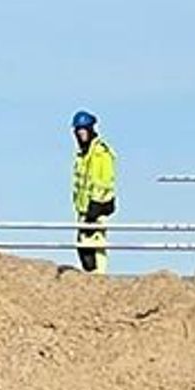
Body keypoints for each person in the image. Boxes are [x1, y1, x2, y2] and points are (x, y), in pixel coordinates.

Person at [70, 110, 117, 274]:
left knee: (96, 251)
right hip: (84, 212)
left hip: (97, 210)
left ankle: (99, 281)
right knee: (83, 250)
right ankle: (92, 280)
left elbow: (104, 182)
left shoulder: (100, 152)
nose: (81, 134)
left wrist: (96, 208)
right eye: (78, 130)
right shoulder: (82, 155)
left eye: (84, 130)